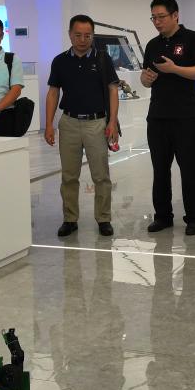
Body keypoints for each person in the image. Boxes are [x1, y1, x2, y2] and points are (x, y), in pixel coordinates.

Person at [44, 14, 120, 238]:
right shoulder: (60, 61)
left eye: (88, 35)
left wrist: (112, 121)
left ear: (92, 36)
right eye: (78, 35)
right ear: (70, 34)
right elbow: (53, 93)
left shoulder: (103, 59)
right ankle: (70, 219)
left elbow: (113, 90)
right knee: (69, 175)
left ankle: (103, 218)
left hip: (97, 123)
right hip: (68, 123)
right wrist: (49, 124)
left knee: (101, 175)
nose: (83, 40)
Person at [140, 0, 195, 236]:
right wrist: (146, 79)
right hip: (157, 117)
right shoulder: (152, 45)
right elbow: (145, 79)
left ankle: (193, 217)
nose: (157, 22)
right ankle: (162, 216)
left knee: (190, 169)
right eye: (153, 18)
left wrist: (174, 69)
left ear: (175, 15)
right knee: (160, 170)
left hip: (185, 117)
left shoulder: (192, 39)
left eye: (161, 17)